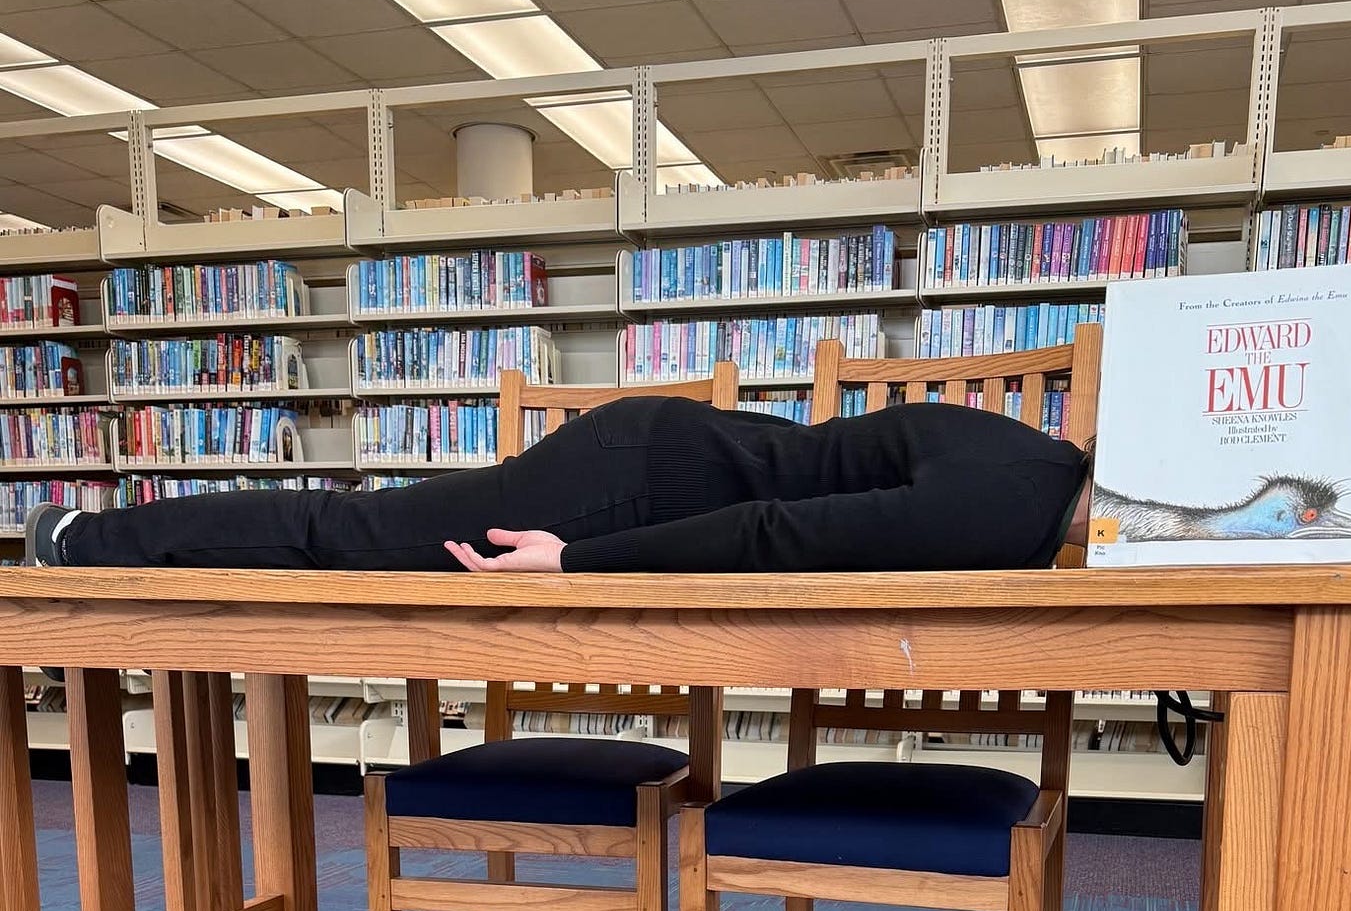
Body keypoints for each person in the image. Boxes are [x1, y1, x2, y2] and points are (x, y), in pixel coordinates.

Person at [25, 396, 1092, 575]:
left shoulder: (1034, 460)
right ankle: (86, 542)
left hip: (659, 461)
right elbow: (772, 535)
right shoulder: (1013, 499)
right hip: (640, 489)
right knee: (358, 536)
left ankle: (91, 537)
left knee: (375, 521)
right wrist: (573, 559)